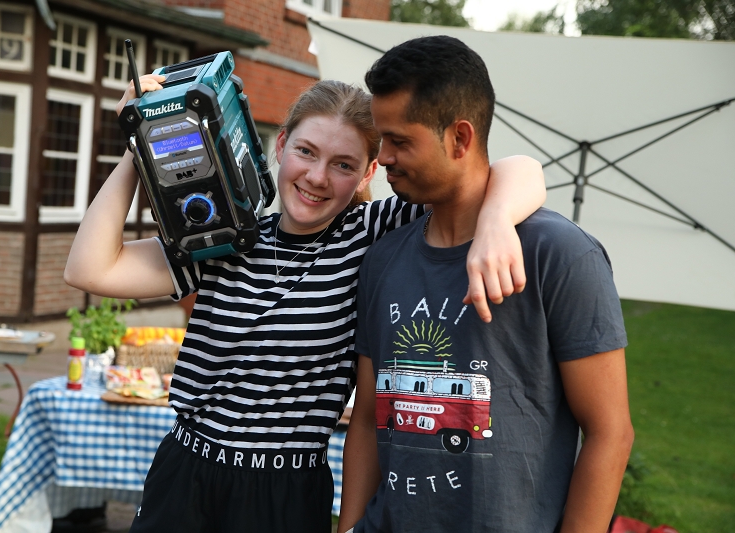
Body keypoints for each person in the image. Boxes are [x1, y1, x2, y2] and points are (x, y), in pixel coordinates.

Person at [64, 76, 545, 533]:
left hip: (285, 490)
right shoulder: (227, 234)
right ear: (280, 146)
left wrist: (496, 220)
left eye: (343, 165)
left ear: (368, 173)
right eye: (306, 151)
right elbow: (90, 270)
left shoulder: (371, 232)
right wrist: (138, 144)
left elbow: (520, 170)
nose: (317, 177)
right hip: (186, 471)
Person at [339, 36, 634, 533]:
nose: (382, 157)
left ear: (460, 138)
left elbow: (610, 433)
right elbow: (368, 419)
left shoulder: (560, 255)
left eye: (400, 141)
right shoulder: (383, 258)